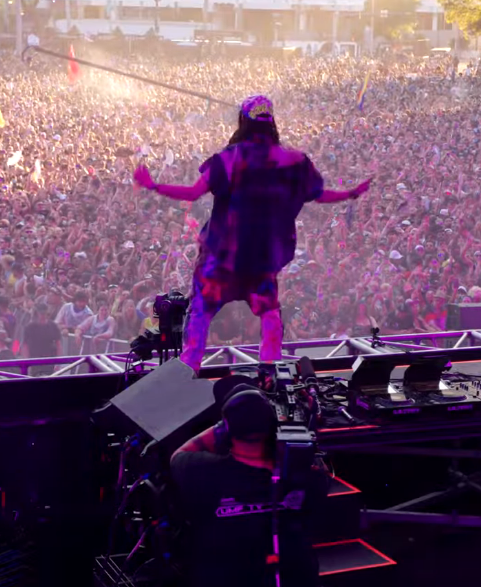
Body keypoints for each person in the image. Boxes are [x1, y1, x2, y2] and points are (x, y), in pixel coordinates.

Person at [134, 96, 372, 373]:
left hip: (222, 258)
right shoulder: (292, 161)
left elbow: (192, 192)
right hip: (260, 261)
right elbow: (318, 194)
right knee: (269, 313)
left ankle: (188, 369)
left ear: (243, 122)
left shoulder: (229, 159)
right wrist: (349, 193)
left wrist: (153, 185)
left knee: (201, 310)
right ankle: (270, 371)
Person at [171, 384, 325, 587]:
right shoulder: (309, 477)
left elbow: (179, 455)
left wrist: (220, 428)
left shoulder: (200, 470)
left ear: (226, 428)